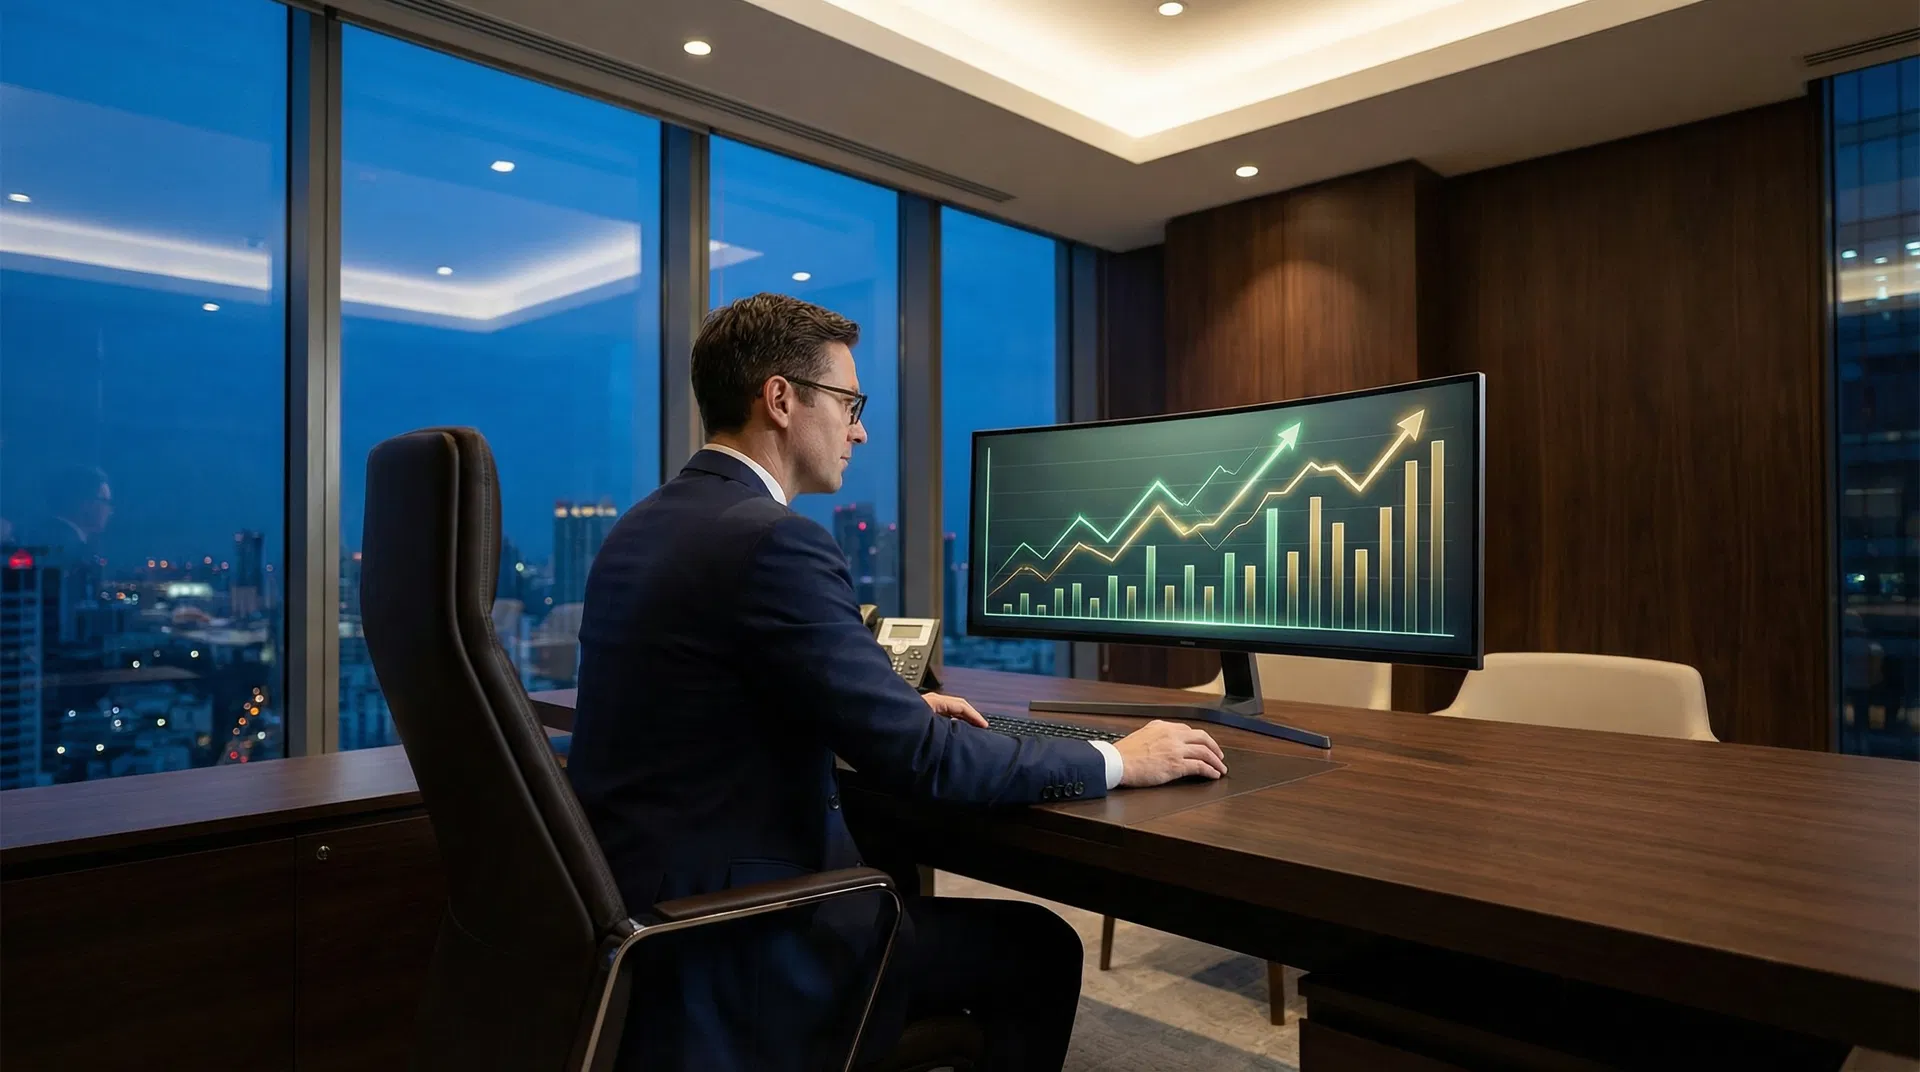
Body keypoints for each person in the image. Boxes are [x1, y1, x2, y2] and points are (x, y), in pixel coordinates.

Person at [567, 293, 1228, 1072]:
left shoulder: (639, 529)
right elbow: (928, 762)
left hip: (647, 921)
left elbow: (715, 697)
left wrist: (891, 703)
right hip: (744, 946)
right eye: (849, 402)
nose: (860, 429)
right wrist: (1120, 758)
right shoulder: (775, 542)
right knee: (1040, 943)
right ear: (780, 400)